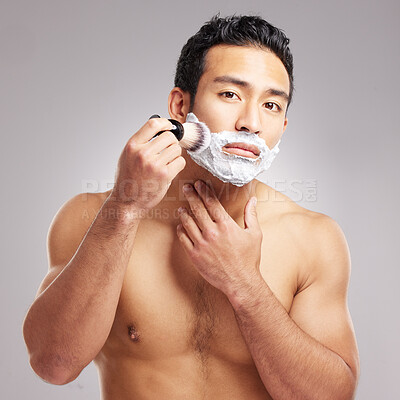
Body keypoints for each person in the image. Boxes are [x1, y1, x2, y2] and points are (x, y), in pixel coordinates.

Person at [23, 14, 360, 400]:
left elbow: (332, 396)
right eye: (230, 95)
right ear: (180, 107)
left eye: (270, 104)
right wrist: (125, 207)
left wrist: (245, 285)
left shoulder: (314, 238)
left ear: (283, 125)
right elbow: (52, 364)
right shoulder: (92, 217)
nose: (250, 122)